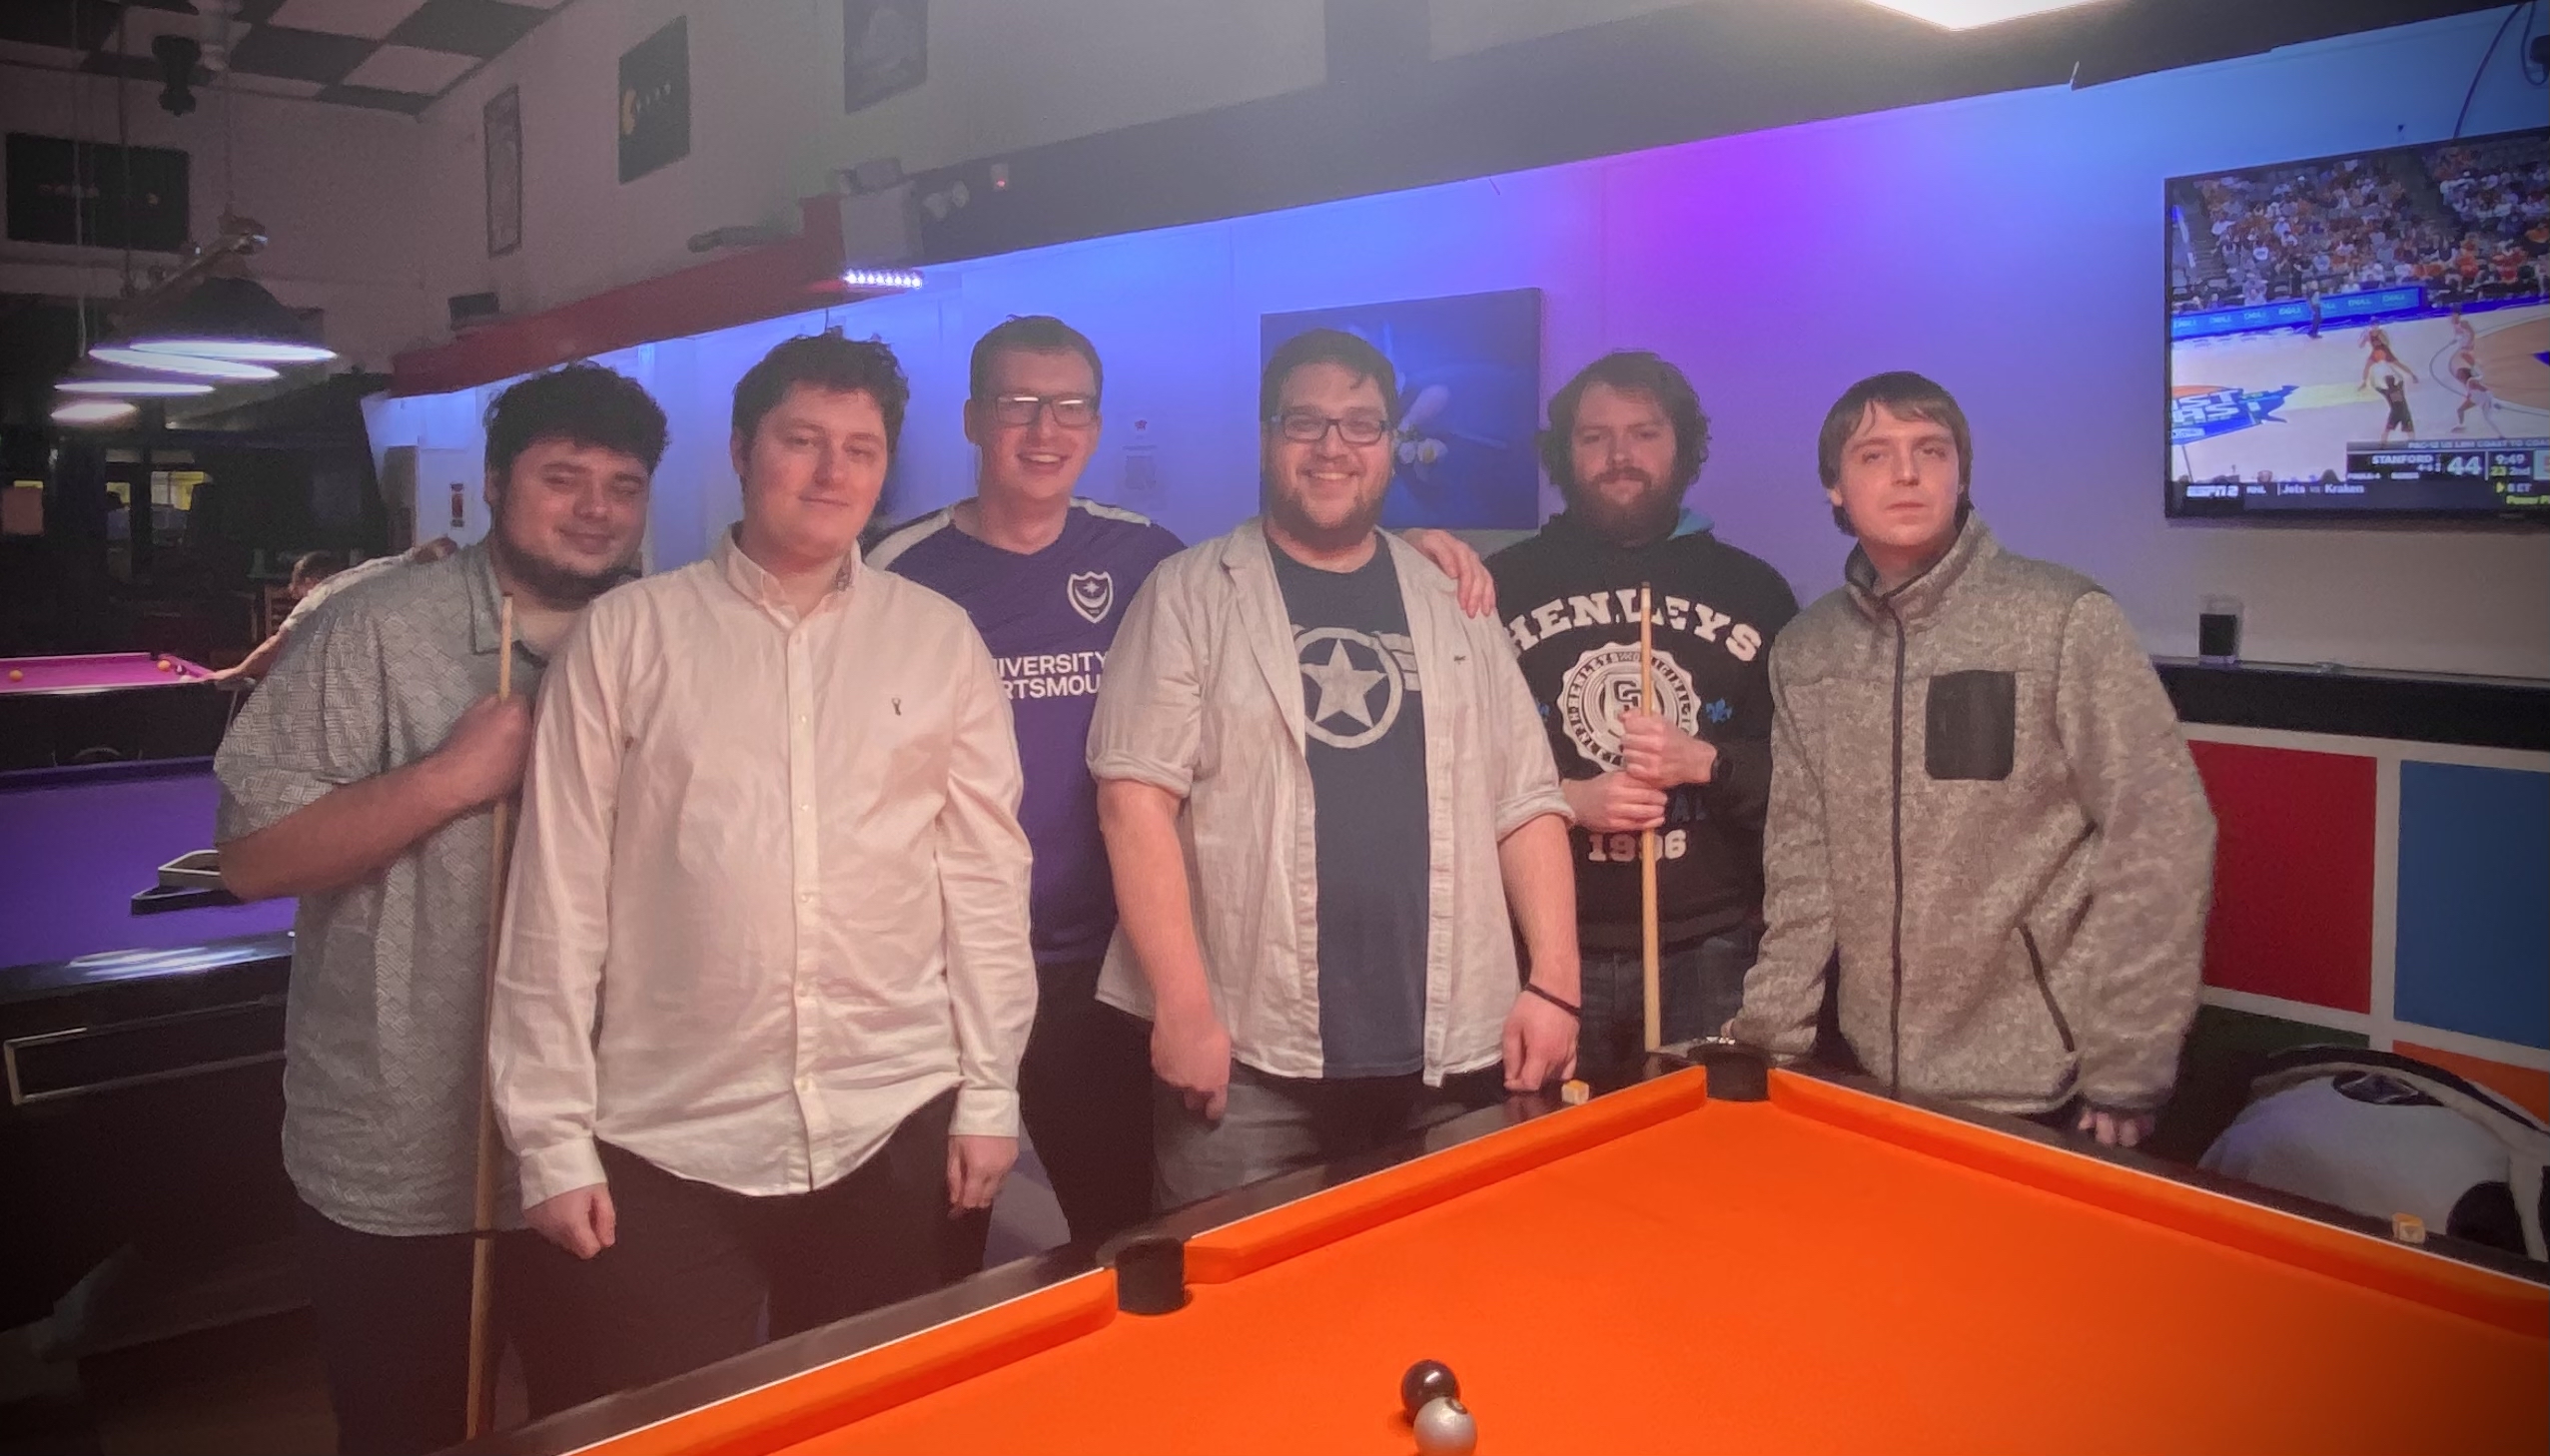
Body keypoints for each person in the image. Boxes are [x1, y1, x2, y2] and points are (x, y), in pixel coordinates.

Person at [873, 317, 1505, 1272]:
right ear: (970, 419)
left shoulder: (1147, 560)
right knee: (937, 1241)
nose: (1045, 430)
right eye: (1018, 404)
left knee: (1123, 1236)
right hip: (945, 964)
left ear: (1096, 426)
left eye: (1070, 407)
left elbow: (1291, 567)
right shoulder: (899, 568)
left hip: (1109, 959)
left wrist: (1410, 548)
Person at [489, 332, 1037, 1405]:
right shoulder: (627, 636)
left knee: (870, 1423)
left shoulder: (940, 641)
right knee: (666, 1428)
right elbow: (556, 899)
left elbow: (982, 883)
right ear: (743, 451)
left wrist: (990, 1090)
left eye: (860, 450)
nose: (832, 473)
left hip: (893, 1114)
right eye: (802, 441)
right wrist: (548, 1140)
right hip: (667, 1138)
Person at [212, 363, 666, 1455]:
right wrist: (450, 780)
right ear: (497, 482)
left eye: (623, 484)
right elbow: (254, 860)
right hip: (405, 1151)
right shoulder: (372, 628)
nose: (595, 507)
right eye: (563, 477)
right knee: (407, 1433)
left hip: (614, 1139)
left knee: (602, 1431)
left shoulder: (666, 636)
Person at [1089, 327, 1580, 1211]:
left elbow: (1524, 800)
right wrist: (1184, 1011)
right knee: (1239, 1286)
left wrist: (1554, 981)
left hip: (1448, 1052)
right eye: (1304, 422)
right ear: (1266, 437)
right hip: (1246, 1059)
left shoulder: (1453, 597)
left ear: (1390, 443)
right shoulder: (1189, 593)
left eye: (1360, 424)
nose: (1332, 447)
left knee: (1449, 1275)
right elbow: (1133, 802)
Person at [1729, 370, 2215, 1149]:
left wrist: (2129, 1062)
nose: (1907, 472)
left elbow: (2160, 834)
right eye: (1874, 454)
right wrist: (1769, 1037)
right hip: (1868, 1070)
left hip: (2045, 1084)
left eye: (1931, 450)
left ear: (1960, 475)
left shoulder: (2061, 620)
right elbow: (1801, 861)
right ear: (1835, 488)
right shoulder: (1806, 651)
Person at [1485, 353, 1797, 1076]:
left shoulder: (1754, 590)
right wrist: (1563, 801)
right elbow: (1448, 771)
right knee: (1552, 1141)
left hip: (1709, 944)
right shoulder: (1500, 586)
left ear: (1682, 448)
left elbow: (1804, 784)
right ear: (1563, 453)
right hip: (1546, 948)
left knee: (1698, 1143)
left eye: (1644, 434)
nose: (1619, 455)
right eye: (1594, 437)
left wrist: (1706, 762)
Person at [217, 538, 460, 684]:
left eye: (299, 593)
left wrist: (238, 671)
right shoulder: (368, 569)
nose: (299, 600)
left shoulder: (319, 596)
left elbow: (277, 644)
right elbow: (442, 546)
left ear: (310, 582)